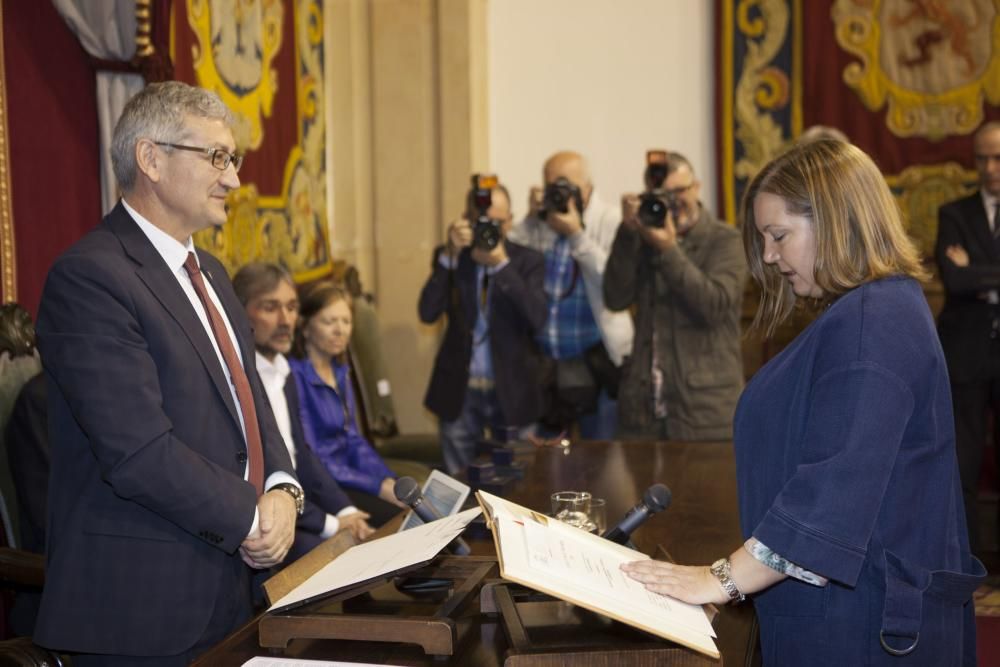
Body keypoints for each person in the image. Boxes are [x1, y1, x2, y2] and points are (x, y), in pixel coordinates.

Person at [623, 139, 984, 664]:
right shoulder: (877, 307)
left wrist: (717, 579)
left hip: (864, 627)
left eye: (779, 236)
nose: (769, 256)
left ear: (836, 222)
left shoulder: (871, 323)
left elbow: (830, 500)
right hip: (855, 610)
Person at [34, 81, 301, 665]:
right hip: (143, 609)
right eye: (216, 157)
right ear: (150, 159)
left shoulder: (213, 272)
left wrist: (283, 487)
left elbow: (250, 402)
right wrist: (251, 514)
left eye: (233, 159)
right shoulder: (91, 278)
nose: (232, 178)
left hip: (237, 589)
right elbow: (137, 452)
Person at [233, 262, 375, 560]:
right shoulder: (238, 381)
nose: (286, 320)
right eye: (271, 308)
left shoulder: (284, 374)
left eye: (292, 307)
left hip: (298, 505)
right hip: (264, 519)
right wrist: (332, 523)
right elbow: (257, 479)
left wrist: (345, 510)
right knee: (346, 555)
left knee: (366, 539)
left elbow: (303, 456)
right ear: (239, 311)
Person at [604, 151, 746, 439]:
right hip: (642, 414)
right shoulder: (642, 238)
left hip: (704, 413)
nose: (672, 202)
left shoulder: (726, 240)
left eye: (679, 191)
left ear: (697, 187)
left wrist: (669, 250)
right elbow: (615, 298)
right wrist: (628, 233)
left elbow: (713, 306)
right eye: (662, 195)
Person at [419, 182, 547, 474]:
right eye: (482, 222)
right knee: (459, 483)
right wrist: (449, 257)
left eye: (497, 223)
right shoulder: (454, 257)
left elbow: (538, 319)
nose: (489, 230)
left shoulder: (528, 261)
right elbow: (427, 312)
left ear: (511, 221)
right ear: (467, 219)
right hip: (460, 391)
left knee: (521, 481)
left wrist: (502, 265)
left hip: (514, 390)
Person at [507, 151, 633, 439]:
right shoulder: (540, 220)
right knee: (539, 465)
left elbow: (616, 284)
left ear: (587, 188)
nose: (559, 193)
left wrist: (577, 234)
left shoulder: (611, 220)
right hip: (545, 366)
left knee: (603, 462)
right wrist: (530, 218)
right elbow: (508, 257)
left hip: (597, 363)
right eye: (552, 186)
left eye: (566, 185)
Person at [935, 120, 1000, 556]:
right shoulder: (954, 213)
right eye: (982, 158)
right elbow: (954, 282)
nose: (990, 166)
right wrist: (970, 276)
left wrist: (976, 270)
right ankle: (968, 562)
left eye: (997, 157)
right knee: (962, 466)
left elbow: (967, 274)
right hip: (964, 357)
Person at [289, 281, 404, 526]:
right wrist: (375, 486)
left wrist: (385, 479)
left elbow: (352, 438)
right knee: (397, 518)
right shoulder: (293, 376)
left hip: (349, 474)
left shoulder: (340, 369)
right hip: (321, 485)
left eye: (346, 321)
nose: (340, 330)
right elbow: (312, 455)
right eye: (329, 322)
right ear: (306, 326)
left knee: (410, 500)